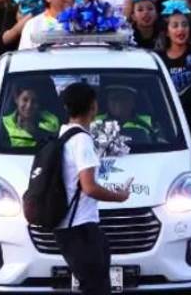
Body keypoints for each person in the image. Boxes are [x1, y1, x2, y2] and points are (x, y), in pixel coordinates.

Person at [53, 81, 132, 295]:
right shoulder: (81, 140)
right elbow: (89, 187)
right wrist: (120, 196)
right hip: (80, 228)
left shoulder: (64, 134)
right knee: (97, 288)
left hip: (69, 228)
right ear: (93, 107)